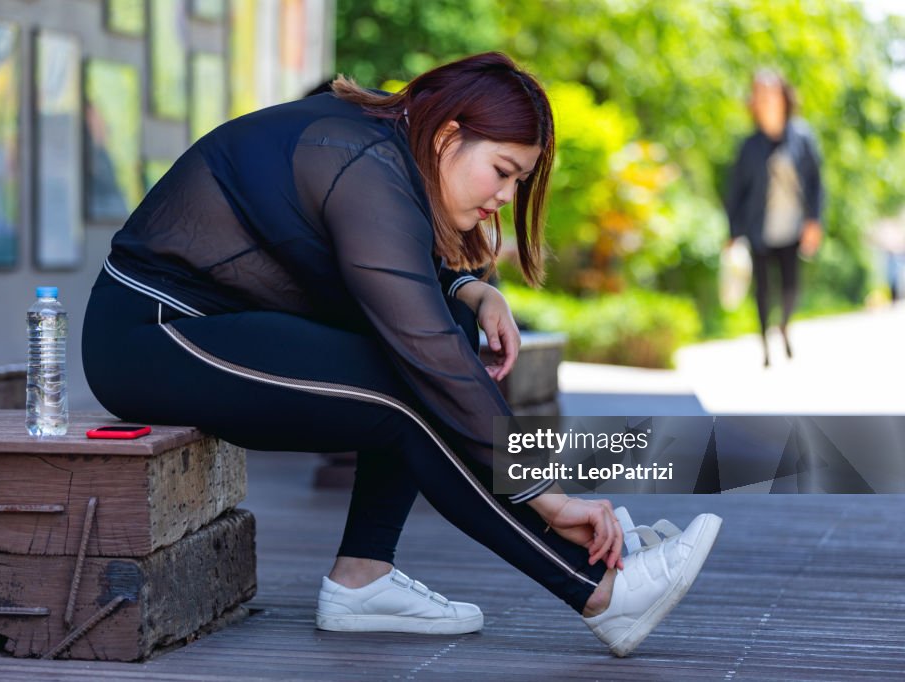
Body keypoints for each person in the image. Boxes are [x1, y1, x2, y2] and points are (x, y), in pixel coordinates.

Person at [82, 52, 721, 657]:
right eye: (502, 171)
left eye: (517, 181)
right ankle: (600, 592)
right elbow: (426, 350)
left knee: (438, 336)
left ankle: (363, 575)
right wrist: (546, 493)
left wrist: (466, 288)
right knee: (409, 392)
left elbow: (385, 264)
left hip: (227, 323)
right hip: (154, 334)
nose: (505, 197)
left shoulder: (390, 143)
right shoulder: (360, 159)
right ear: (449, 137)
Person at [725, 69, 825, 367]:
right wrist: (732, 233)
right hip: (759, 228)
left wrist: (814, 222)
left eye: (772, 92)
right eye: (760, 93)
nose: (766, 98)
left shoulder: (803, 137)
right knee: (763, 290)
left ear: (784, 96)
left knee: (791, 288)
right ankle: (765, 346)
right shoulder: (749, 146)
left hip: (793, 227)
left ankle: (783, 325)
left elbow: (817, 183)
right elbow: (736, 192)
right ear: (753, 101)